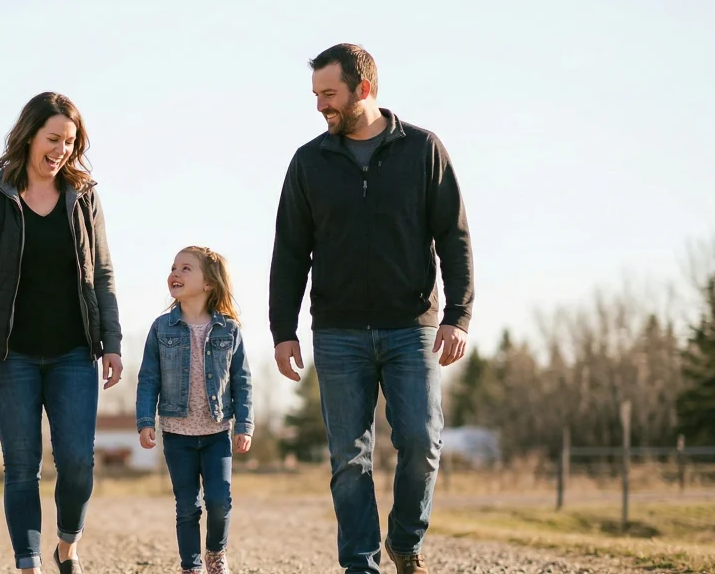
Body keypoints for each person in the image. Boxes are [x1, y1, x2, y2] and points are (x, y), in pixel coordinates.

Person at [268, 43, 474, 574]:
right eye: (316, 95)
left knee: (422, 443)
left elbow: (454, 237)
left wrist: (458, 315)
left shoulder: (422, 150)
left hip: (411, 328)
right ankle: (360, 565)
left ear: (363, 89)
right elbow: (289, 251)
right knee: (349, 460)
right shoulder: (309, 162)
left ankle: (404, 540)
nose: (320, 105)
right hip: (338, 333)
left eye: (329, 94)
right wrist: (283, 329)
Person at [0, 91, 124, 574]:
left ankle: (67, 545)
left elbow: (103, 274)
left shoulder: (84, 196)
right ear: (29, 135)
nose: (61, 150)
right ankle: (28, 564)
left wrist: (112, 341)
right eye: (53, 139)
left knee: (77, 462)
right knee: (21, 466)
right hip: (10, 356)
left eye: (70, 142)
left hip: (74, 352)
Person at [136, 246, 254, 574]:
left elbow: (242, 381)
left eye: (186, 268)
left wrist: (245, 424)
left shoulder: (229, 330)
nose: (175, 273)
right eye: (174, 267)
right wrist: (145, 421)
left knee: (219, 500)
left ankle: (215, 552)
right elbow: (148, 378)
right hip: (177, 434)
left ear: (208, 284)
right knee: (187, 506)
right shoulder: (161, 328)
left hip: (217, 433)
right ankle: (191, 566)